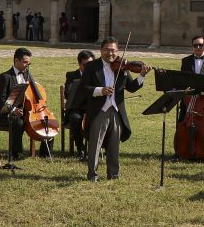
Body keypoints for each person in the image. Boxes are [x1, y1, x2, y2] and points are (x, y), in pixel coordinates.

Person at [79, 37, 151, 181]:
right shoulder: (92, 67)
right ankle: (92, 174)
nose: (110, 53)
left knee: (114, 144)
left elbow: (131, 87)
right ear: (101, 50)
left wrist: (142, 75)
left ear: (117, 51)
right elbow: (84, 88)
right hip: (100, 110)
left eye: (113, 50)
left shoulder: (122, 67)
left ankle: (113, 174)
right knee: (95, 144)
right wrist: (101, 90)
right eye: (106, 50)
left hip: (116, 110)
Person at [0, 47, 53, 166]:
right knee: (18, 122)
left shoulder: (28, 75)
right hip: (7, 113)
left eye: (29, 63)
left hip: (27, 112)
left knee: (46, 122)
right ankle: (15, 153)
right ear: (16, 61)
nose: (27, 65)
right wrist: (13, 109)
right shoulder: (5, 76)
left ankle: (45, 153)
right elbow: (2, 101)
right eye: (25, 62)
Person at [63, 49, 95, 159]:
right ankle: (80, 148)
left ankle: (95, 148)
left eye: (90, 64)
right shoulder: (71, 75)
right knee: (75, 119)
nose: (87, 67)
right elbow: (67, 93)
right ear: (79, 64)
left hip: (92, 108)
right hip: (76, 109)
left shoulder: (96, 75)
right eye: (85, 64)